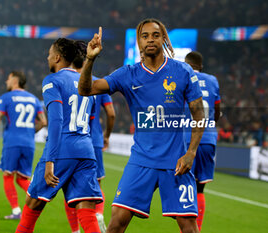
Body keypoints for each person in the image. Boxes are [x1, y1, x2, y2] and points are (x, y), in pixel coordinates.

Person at [79, 19, 205, 233]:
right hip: (141, 160)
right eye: (145, 36)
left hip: (175, 163)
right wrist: (90, 59)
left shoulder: (183, 71)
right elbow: (86, 89)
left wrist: (191, 153)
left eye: (155, 35)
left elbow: (199, 114)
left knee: (189, 228)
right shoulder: (127, 74)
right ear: (138, 42)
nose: (150, 40)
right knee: (116, 223)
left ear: (164, 38)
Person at [15, 38, 103, 233]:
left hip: (62, 149)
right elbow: (92, 122)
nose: (47, 57)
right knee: (86, 212)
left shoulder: (52, 81)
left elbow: (55, 122)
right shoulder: (87, 82)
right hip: (86, 151)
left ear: (57, 57)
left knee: (32, 203)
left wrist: (50, 161)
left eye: (49, 54)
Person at [64, 40, 116, 233]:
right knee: (95, 185)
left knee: (69, 188)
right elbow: (111, 113)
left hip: (69, 141)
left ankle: (75, 230)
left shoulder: (64, 80)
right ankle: (99, 213)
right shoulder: (97, 82)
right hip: (92, 140)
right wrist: (107, 136)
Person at [0, 71, 47, 219]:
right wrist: (30, 132)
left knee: (8, 175)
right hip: (29, 143)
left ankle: (16, 211)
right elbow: (43, 122)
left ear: (15, 80)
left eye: (8, 78)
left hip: (12, 142)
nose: (6, 81)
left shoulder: (5, 98)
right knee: (22, 178)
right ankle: (39, 196)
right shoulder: (34, 99)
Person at [184, 51, 221, 232]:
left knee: (183, 186)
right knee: (199, 189)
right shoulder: (213, 80)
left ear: (186, 64)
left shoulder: (183, 75)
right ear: (201, 66)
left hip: (187, 138)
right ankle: (196, 228)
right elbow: (217, 110)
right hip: (208, 138)